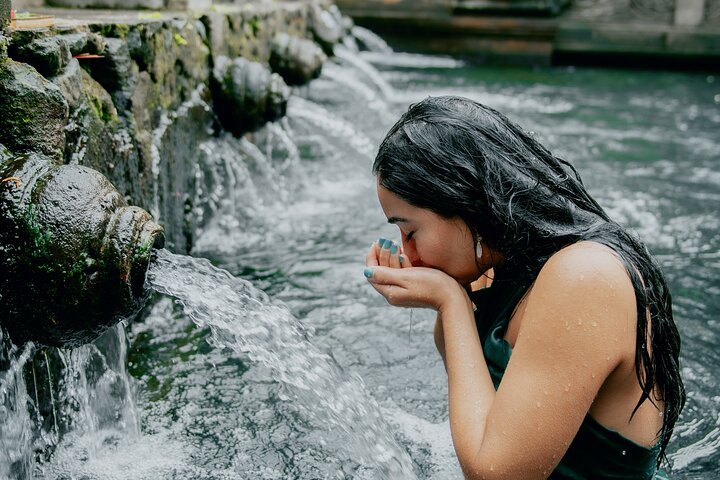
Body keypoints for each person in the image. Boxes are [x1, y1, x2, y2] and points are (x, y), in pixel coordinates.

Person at [363, 96, 684, 479]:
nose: (407, 254)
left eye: (410, 230)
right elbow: (479, 416)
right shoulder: (497, 268)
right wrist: (455, 298)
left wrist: (451, 303)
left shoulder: (585, 277)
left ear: (466, 202)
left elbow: (495, 474)